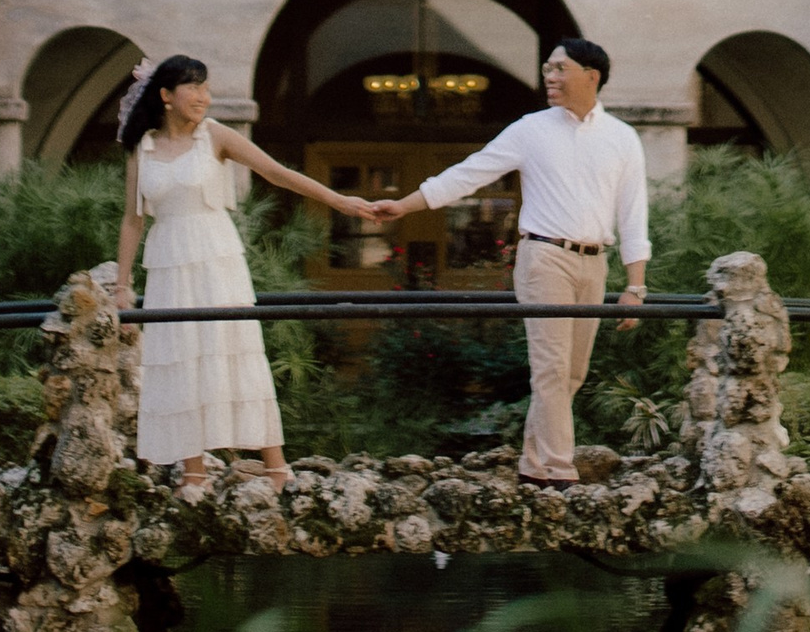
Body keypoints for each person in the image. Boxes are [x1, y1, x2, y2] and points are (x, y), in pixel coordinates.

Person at [365, 36, 649, 489]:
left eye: (559, 69)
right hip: (544, 257)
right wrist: (406, 205)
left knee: (571, 374)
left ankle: (533, 464)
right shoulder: (530, 129)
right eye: (547, 69)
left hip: (595, 263)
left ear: (590, 77)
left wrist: (636, 285)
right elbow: (469, 173)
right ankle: (559, 470)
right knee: (552, 369)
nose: (549, 77)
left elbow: (634, 213)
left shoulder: (622, 137)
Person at [113, 52, 372, 492]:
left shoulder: (215, 136)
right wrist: (121, 284)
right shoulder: (144, 147)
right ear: (166, 95)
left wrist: (342, 202)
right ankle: (193, 470)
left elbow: (277, 173)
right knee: (179, 355)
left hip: (215, 254)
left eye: (206, 87)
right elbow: (132, 219)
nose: (203, 96)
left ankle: (276, 466)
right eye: (193, 87)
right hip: (168, 260)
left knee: (234, 348)